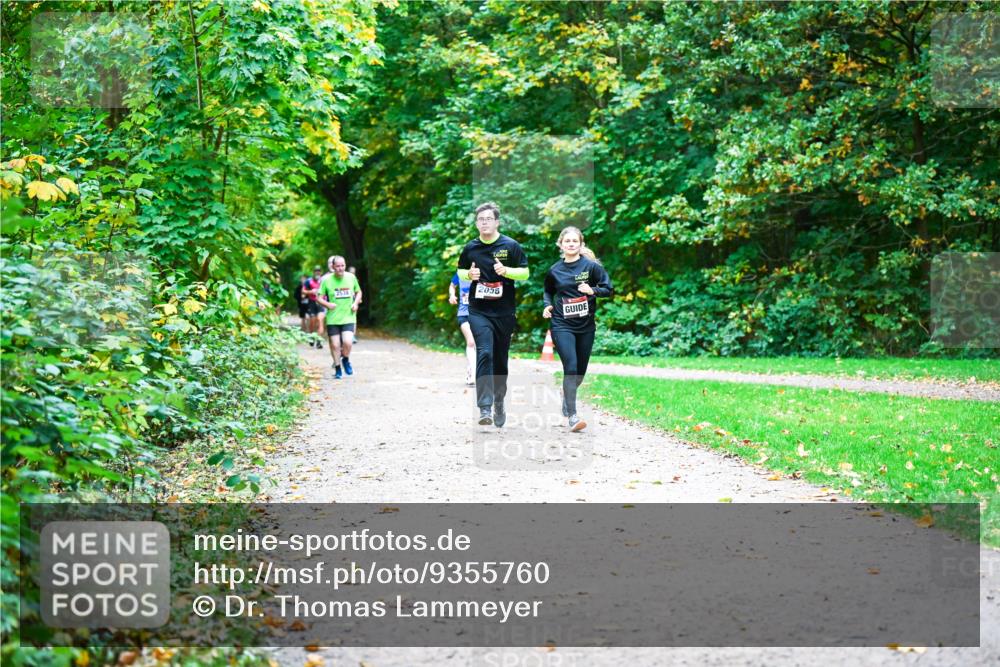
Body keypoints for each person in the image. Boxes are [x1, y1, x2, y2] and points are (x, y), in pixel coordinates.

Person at [457, 202, 529, 426]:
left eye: (489, 218)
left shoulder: (511, 245)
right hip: (479, 311)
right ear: (476, 223)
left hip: (504, 312)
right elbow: (460, 272)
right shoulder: (471, 248)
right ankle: (485, 408)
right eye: (481, 219)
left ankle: (499, 400)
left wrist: (506, 271)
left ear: (497, 222)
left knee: (500, 360)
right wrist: (470, 274)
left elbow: (525, 273)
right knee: (485, 352)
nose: (484, 222)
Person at [542, 226, 613, 432]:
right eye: (567, 241)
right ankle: (573, 416)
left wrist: (592, 290)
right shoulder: (555, 270)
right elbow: (547, 291)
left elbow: (608, 289)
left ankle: (567, 396)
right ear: (561, 244)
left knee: (580, 371)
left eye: (575, 241)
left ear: (581, 244)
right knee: (570, 366)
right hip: (561, 323)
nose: (571, 244)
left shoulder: (591, 267)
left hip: (585, 326)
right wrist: (547, 305)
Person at [317, 255, 362, 379]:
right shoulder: (326, 280)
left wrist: (355, 303)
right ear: (333, 267)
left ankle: (345, 359)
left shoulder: (351, 277)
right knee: (335, 345)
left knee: (348, 342)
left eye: (343, 265)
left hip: (348, 316)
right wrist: (327, 304)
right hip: (333, 318)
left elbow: (359, 292)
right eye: (338, 266)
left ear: (345, 265)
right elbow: (319, 297)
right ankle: (337, 368)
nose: (340, 268)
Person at [449, 271, 476, 385]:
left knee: (480, 345)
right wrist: (452, 295)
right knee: (471, 342)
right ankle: (473, 375)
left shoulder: (483, 273)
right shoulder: (460, 273)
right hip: (464, 314)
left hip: (480, 314)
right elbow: (452, 285)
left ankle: (471, 368)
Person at [304, 267, 324, 348]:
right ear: (313, 272)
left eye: (319, 271)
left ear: (321, 273)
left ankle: (319, 341)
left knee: (320, 320)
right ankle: (312, 337)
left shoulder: (324, 280)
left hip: (321, 302)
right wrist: (310, 291)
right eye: (316, 271)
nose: (317, 273)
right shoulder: (309, 281)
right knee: (312, 321)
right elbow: (303, 291)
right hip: (312, 303)